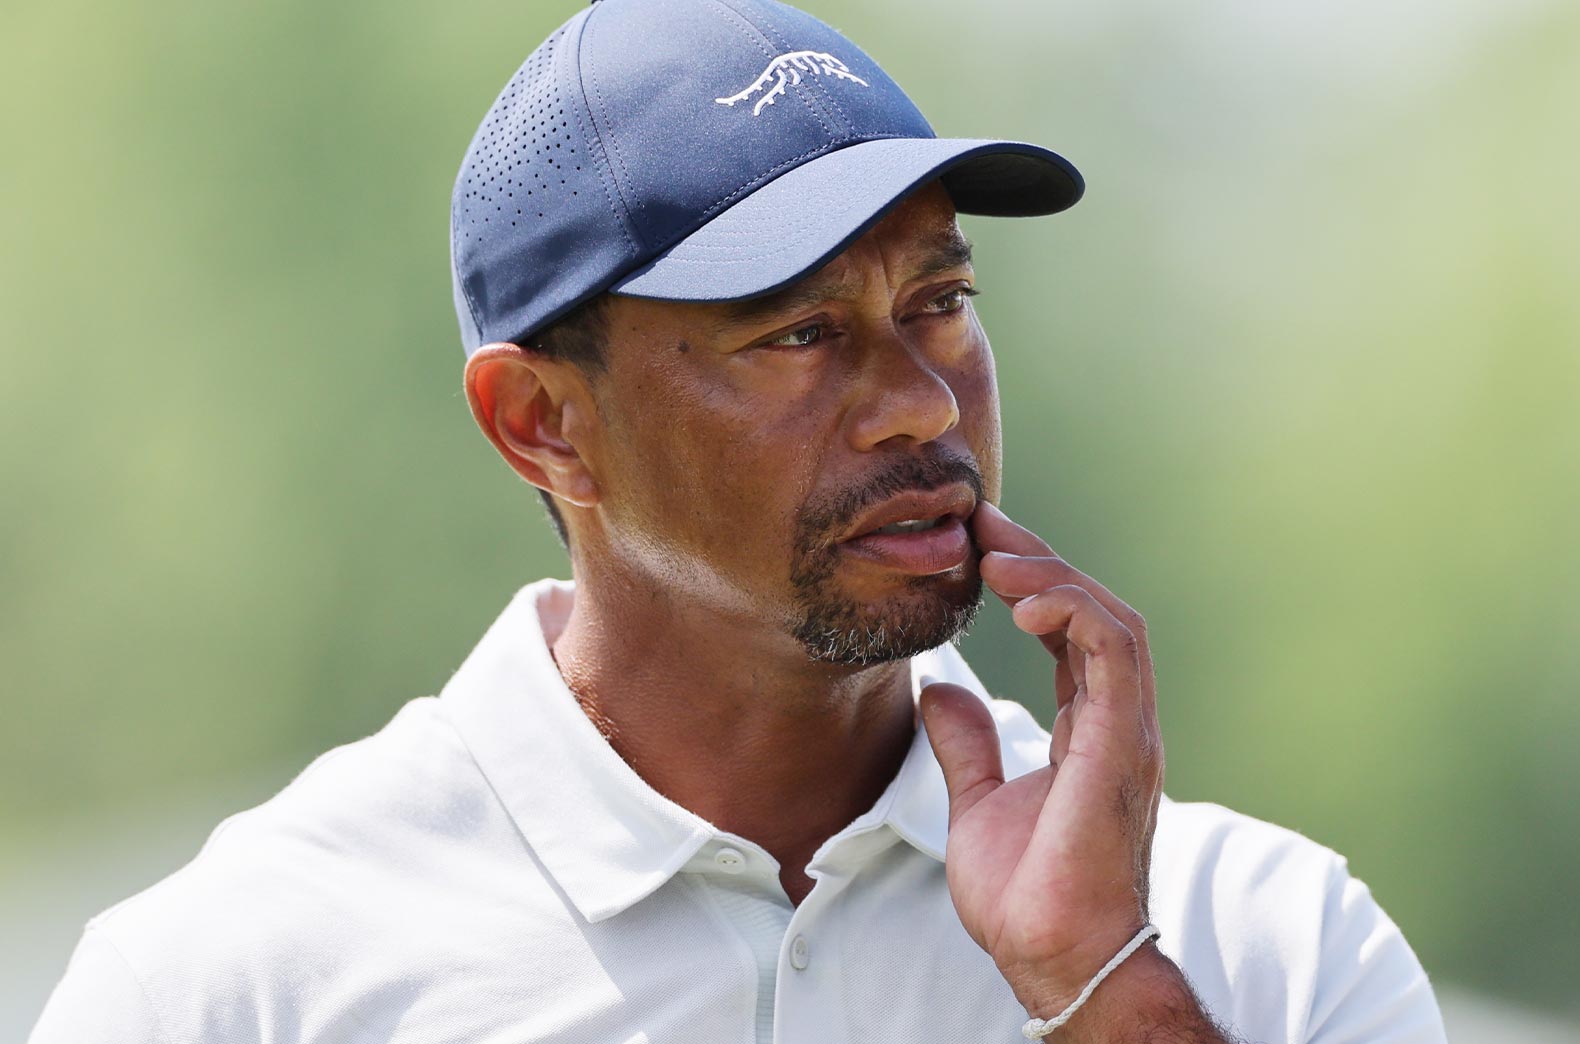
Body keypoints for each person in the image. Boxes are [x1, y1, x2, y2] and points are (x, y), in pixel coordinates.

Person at [29, 1, 1448, 1042]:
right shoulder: (235, 985)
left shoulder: (1259, 940)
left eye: (939, 304)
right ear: (544, 423)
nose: (917, 405)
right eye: (799, 334)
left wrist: (1097, 985)